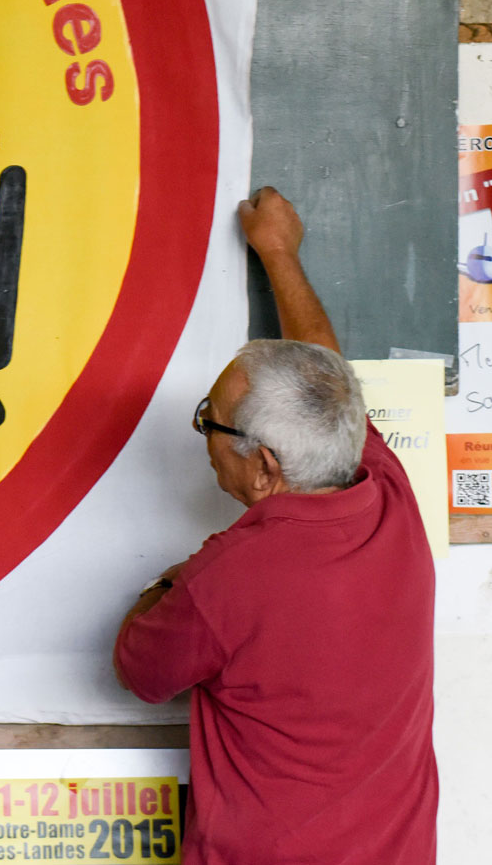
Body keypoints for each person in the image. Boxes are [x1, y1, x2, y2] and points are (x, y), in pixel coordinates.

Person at [113, 187, 438, 865]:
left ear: (264, 466)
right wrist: (278, 252)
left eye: (211, 419)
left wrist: (167, 584)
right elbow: (325, 371)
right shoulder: (384, 495)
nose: (203, 430)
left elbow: (138, 667)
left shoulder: (225, 579)